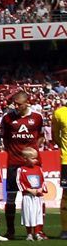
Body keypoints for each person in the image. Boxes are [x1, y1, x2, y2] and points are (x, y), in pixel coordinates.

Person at [0, 90, 44, 240]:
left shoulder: (37, 118)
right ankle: (10, 231)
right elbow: (5, 139)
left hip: (32, 166)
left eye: (18, 104)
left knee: (37, 197)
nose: (16, 106)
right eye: (14, 104)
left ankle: (38, 231)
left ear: (26, 103)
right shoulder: (7, 118)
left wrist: (32, 153)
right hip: (13, 163)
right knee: (11, 197)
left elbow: (41, 137)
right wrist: (14, 152)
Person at [16, 147, 47, 240]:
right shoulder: (21, 170)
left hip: (38, 196)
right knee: (28, 214)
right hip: (28, 196)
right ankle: (29, 234)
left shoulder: (38, 169)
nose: (35, 160)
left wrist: (41, 189)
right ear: (25, 159)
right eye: (33, 158)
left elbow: (43, 181)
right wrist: (29, 190)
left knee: (38, 214)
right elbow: (19, 182)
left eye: (36, 158)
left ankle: (37, 233)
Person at [53, 101, 67, 237]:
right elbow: (55, 136)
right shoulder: (60, 113)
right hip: (66, 161)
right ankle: (65, 229)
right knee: (66, 196)